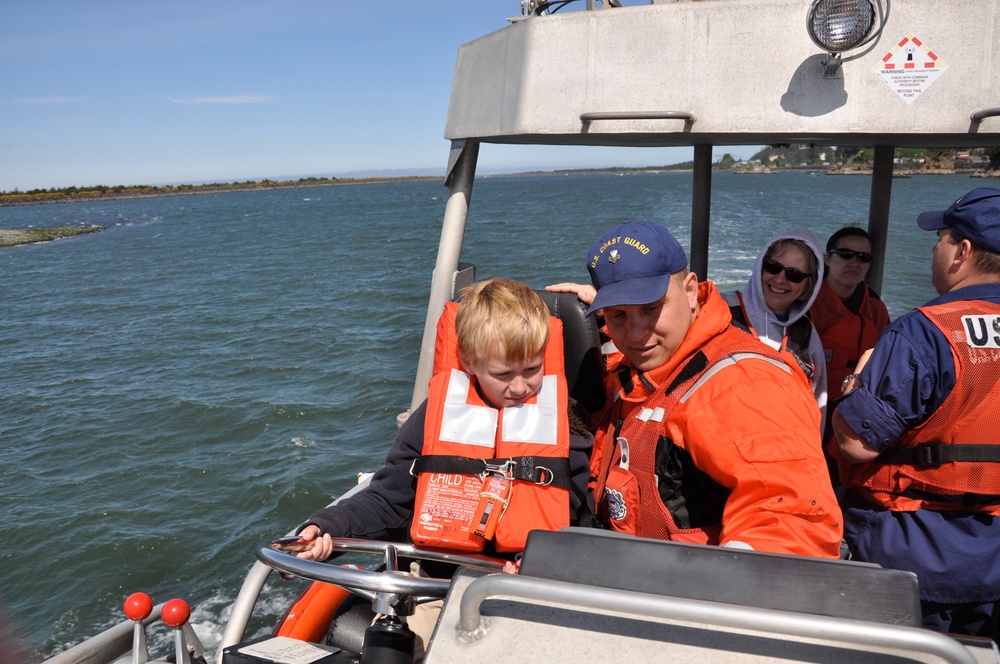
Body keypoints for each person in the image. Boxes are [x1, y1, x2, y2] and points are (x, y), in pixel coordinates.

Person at [293, 278, 594, 653]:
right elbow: (388, 500)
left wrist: (535, 558)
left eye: (532, 369)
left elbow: (577, 515)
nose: (520, 388)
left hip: (529, 586)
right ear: (469, 361)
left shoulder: (566, 423)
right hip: (438, 583)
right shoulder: (434, 417)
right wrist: (326, 528)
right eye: (503, 374)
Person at [552, 221, 842, 558]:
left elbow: (790, 519)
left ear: (691, 291)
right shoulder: (639, 364)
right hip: (618, 569)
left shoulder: (746, 385)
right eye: (618, 315)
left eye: (651, 309)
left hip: (681, 594)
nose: (635, 333)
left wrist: (716, 588)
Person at [832, 187, 1000, 640]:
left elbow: (855, 443)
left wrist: (852, 387)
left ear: (962, 251)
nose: (934, 248)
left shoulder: (924, 332)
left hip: (911, 550)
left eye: (941, 238)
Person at [721, 230, 828, 434]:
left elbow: (817, 404)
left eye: (794, 275)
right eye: (773, 267)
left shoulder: (807, 333)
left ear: (808, 285)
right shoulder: (720, 308)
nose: (780, 279)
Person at [810, 226, 890, 446]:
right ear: (827, 258)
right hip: (810, 415)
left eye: (863, 258)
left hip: (857, 421)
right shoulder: (806, 304)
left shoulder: (875, 308)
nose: (854, 263)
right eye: (845, 254)